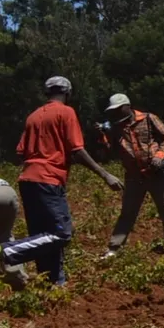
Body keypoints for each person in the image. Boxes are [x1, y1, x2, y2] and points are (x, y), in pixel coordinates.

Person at [15, 76, 121, 286]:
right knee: (61, 234)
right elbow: (77, 149)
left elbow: (20, 152)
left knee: (42, 235)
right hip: (49, 179)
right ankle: (5, 252)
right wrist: (105, 174)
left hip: (28, 179)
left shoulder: (33, 116)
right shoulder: (66, 112)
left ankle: (53, 283)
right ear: (68, 93)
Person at [99, 92, 164, 257]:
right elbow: (109, 151)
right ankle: (114, 248)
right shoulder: (115, 128)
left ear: (127, 107)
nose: (116, 113)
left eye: (118, 109)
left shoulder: (148, 118)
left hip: (156, 173)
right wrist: (103, 135)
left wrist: (159, 156)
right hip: (134, 176)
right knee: (128, 212)